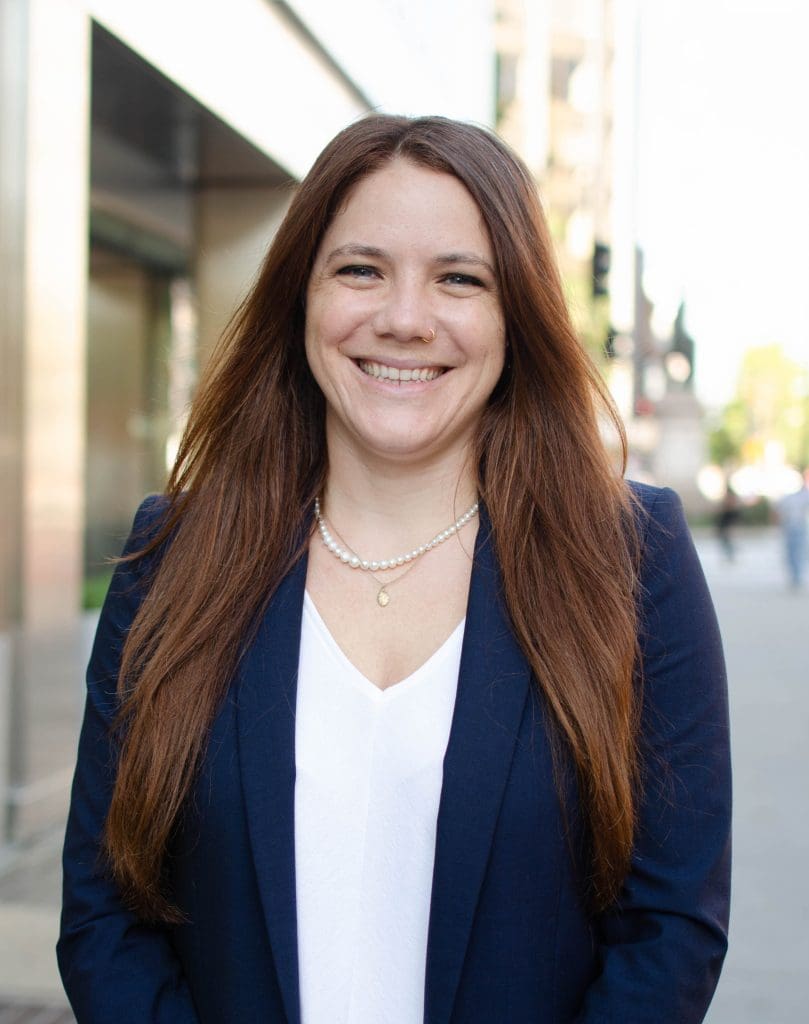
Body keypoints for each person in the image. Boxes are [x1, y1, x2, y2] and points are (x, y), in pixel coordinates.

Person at [57, 115, 731, 1024]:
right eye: (360, 270)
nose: (404, 319)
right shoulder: (176, 555)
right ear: (302, 295)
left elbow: (669, 928)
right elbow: (104, 914)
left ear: (515, 314)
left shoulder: (629, 558)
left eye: (459, 279)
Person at [777, 471, 809, 588]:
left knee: (798, 551)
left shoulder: (804, 495)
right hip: (789, 526)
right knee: (791, 552)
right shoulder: (787, 496)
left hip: (799, 525)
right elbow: (778, 510)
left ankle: (797, 575)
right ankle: (794, 575)